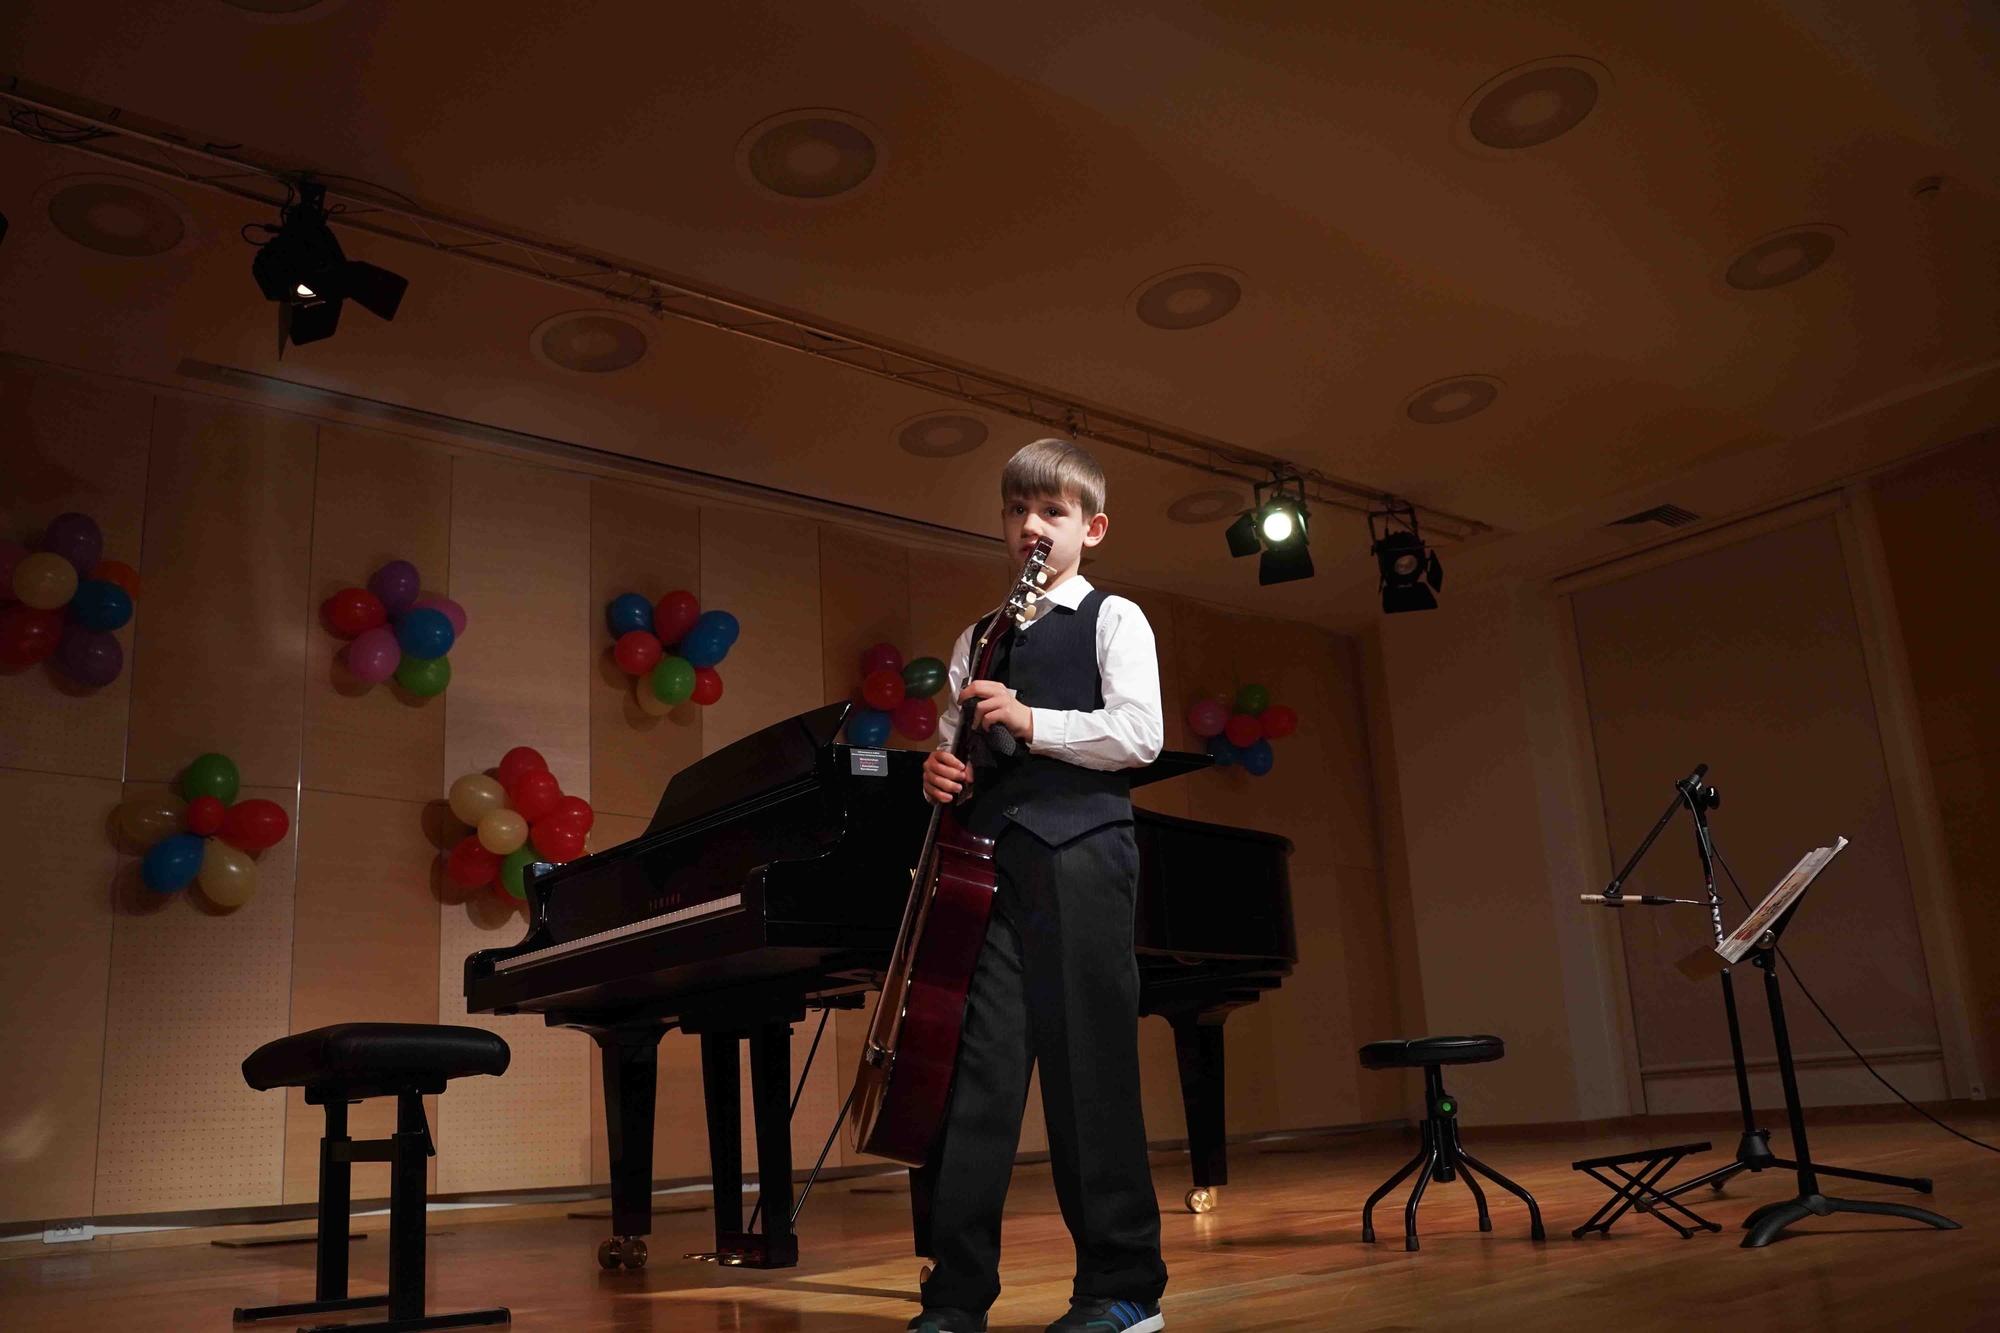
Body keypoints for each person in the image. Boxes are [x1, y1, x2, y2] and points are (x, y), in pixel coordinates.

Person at [912, 438, 1168, 1333]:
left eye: (1053, 512)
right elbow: (955, 747)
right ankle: (955, 1298)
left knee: (1089, 1072)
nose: (1032, 525)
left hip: (1083, 858)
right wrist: (938, 772)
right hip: (988, 870)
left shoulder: (1113, 617)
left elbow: (1139, 734)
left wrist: (1032, 719)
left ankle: (1122, 1292)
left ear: (1090, 529)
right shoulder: (975, 637)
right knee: (976, 1080)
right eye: (1018, 510)